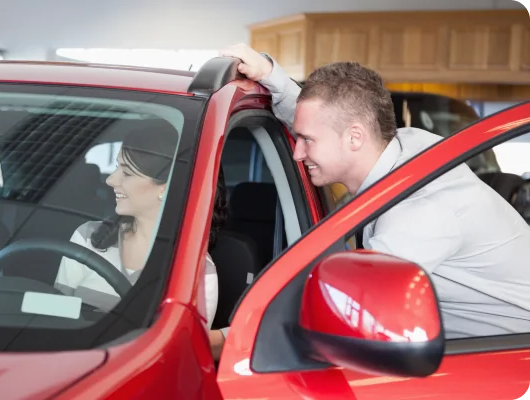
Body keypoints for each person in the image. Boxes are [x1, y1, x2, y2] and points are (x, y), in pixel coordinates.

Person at [207, 43, 530, 355]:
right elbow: (325, 122)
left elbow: (342, 307)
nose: (297, 152)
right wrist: (269, 73)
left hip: (503, 356)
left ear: (355, 137)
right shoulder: (408, 145)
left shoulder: (422, 213)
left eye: (306, 140)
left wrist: (222, 341)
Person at [54, 119, 222, 329]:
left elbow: (181, 347)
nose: (110, 180)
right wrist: (19, 298)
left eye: (127, 173)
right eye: (116, 168)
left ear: (165, 187)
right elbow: (55, 313)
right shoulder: (88, 236)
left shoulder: (196, 270)